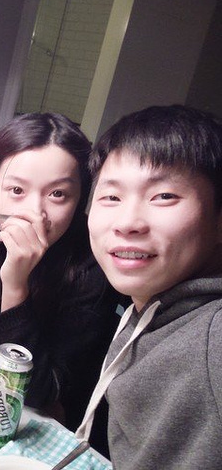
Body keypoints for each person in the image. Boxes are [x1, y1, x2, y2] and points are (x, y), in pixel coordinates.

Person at [0, 113, 123, 455]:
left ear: (81, 199)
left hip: (28, 435)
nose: (35, 213)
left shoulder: (94, 263)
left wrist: (15, 286)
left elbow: (44, 394)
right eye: (16, 190)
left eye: (58, 194)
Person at [75, 105, 222, 469]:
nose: (128, 222)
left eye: (164, 196)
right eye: (111, 197)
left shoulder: (213, 332)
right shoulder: (148, 308)